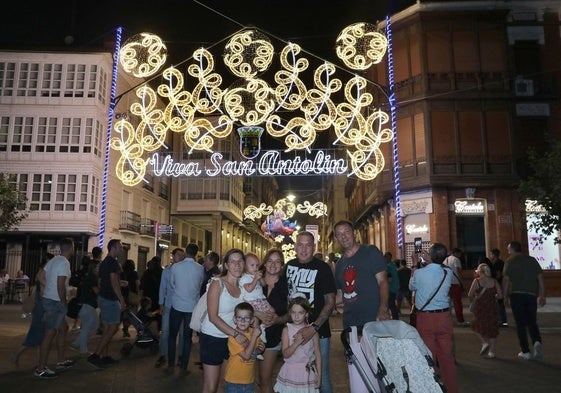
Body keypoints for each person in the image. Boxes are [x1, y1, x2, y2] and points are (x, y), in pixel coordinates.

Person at [285, 231, 336, 393]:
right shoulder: (289, 266)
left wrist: (314, 327)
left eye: (308, 245)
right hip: (293, 331)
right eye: (300, 244)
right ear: (295, 246)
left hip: (319, 331)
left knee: (321, 374)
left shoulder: (323, 268)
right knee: (297, 373)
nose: (304, 249)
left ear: (314, 247)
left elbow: (330, 301)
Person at [409, 243, 459, 393]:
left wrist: (415, 263)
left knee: (428, 357)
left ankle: (429, 388)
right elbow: (438, 267)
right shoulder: (447, 272)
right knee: (446, 358)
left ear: (429, 256)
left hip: (426, 318)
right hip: (444, 317)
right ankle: (452, 389)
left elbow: (412, 287)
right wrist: (430, 258)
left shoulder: (419, 273)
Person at [200, 248, 248, 393]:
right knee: (211, 386)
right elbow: (213, 317)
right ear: (226, 265)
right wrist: (236, 334)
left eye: (240, 261)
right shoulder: (217, 284)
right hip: (213, 338)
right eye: (232, 261)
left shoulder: (243, 286)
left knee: (225, 383)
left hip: (230, 340)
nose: (237, 264)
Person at [333, 220, 389, 329]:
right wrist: (323, 303)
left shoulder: (370, 251)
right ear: (336, 239)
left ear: (354, 233)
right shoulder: (339, 264)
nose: (343, 236)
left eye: (346, 231)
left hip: (374, 318)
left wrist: (383, 309)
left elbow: (383, 281)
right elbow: (340, 294)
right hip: (350, 322)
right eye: (339, 234)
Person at [35, 238, 75, 379]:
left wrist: (49, 287)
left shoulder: (54, 260)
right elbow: (60, 287)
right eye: (73, 248)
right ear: (71, 248)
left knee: (63, 329)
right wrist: (64, 303)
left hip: (50, 299)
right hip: (55, 302)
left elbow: (39, 276)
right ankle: (40, 369)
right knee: (49, 334)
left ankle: (61, 361)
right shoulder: (64, 263)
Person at [502, 240, 546, 360]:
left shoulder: (509, 261)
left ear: (512, 249)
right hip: (531, 294)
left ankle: (525, 351)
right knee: (532, 320)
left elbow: (506, 280)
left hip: (517, 295)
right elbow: (540, 278)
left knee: (520, 323)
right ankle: (537, 341)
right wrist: (542, 295)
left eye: (508, 249)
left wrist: (504, 296)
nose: (507, 251)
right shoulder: (532, 260)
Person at [87, 239, 126, 369]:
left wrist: (120, 283)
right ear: (113, 248)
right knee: (113, 327)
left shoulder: (104, 263)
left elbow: (105, 281)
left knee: (108, 328)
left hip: (103, 297)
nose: (121, 249)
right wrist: (121, 299)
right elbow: (113, 282)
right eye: (120, 247)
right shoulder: (113, 263)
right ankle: (96, 355)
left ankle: (105, 355)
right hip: (110, 299)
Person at [167, 243, 204, 375]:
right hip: (191, 307)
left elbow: (172, 284)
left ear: (186, 252)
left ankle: (170, 364)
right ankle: (183, 367)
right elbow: (200, 284)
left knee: (172, 336)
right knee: (187, 338)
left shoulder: (175, 267)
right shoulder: (200, 268)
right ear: (196, 253)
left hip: (177, 305)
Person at [257, 248, 289, 393]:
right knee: (251, 379)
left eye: (277, 262)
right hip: (250, 335)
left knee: (265, 378)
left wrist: (278, 319)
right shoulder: (254, 281)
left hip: (273, 336)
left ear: (282, 265)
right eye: (270, 260)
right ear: (264, 263)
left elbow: (292, 313)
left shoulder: (286, 285)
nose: (273, 264)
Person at [274, 296, 321, 393]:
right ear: (290, 313)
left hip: (308, 374)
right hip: (291, 373)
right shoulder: (286, 330)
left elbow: (318, 355)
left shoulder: (312, 332)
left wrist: (319, 375)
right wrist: (296, 344)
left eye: (300, 313)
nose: (296, 316)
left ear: (306, 314)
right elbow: (285, 354)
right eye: (293, 312)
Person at [12, 253, 51, 368]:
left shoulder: (40, 273)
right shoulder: (44, 274)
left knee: (40, 337)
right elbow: (44, 293)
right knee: (35, 336)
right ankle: (16, 354)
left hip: (39, 307)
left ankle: (39, 363)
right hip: (41, 308)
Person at [224, 302, 264, 393]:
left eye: (246, 318)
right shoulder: (233, 337)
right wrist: (254, 337)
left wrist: (260, 349)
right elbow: (246, 357)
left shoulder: (253, 332)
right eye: (239, 318)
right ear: (234, 319)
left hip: (249, 380)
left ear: (252, 320)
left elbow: (254, 352)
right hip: (233, 381)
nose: (242, 321)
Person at [155, 247, 185, 368]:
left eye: (183, 256)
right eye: (178, 255)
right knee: (166, 332)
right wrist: (161, 304)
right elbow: (162, 288)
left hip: (182, 306)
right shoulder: (166, 271)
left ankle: (181, 356)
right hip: (168, 305)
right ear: (173, 256)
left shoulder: (184, 272)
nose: (181, 258)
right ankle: (163, 354)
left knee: (182, 333)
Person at [468, 263, 503, 359]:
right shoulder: (494, 281)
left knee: (476, 325)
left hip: (480, 307)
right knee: (492, 328)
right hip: (492, 307)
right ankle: (492, 351)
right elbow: (500, 296)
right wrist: (493, 296)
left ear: (480, 271)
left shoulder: (477, 281)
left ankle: (484, 342)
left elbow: (470, 294)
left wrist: (474, 300)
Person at [240, 253, 272, 354]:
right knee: (256, 323)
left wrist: (260, 277)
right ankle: (257, 344)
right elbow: (248, 289)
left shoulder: (255, 276)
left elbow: (264, 284)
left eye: (257, 265)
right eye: (252, 265)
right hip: (252, 302)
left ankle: (260, 337)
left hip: (260, 300)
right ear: (245, 266)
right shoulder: (244, 277)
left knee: (271, 314)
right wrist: (255, 279)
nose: (255, 268)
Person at [70, 255, 99, 356]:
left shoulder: (89, 277)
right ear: (94, 268)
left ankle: (76, 343)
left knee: (93, 326)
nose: (99, 268)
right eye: (98, 267)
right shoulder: (93, 278)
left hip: (87, 305)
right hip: (87, 305)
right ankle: (83, 350)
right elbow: (96, 291)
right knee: (87, 327)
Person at [443, 248, 468, 326]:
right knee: (457, 303)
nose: (460, 256)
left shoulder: (445, 260)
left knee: (447, 303)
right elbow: (459, 271)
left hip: (446, 284)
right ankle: (460, 320)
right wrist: (462, 282)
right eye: (460, 254)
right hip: (455, 284)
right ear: (456, 253)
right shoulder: (456, 260)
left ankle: (447, 320)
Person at [120, 259, 140, 338]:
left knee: (125, 312)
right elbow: (137, 283)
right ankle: (129, 328)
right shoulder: (134, 273)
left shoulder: (122, 273)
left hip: (123, 295)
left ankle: (125, 329)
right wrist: (138, 293)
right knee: (132, 313)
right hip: (132, 295)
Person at [490, 248, 508, 327]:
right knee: (499, 304)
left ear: (494, 254)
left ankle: (501, 320)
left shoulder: (496, 263)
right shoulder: (501, 262)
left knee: (499, 303)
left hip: (498, 285)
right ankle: (502, 320)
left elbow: (498, 274)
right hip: (500, 283)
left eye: (491, 254)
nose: (490, 256)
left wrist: (494, 282)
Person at [384, 252, 399, 319]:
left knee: (391, 305)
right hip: (394, 288)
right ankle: (395, 318)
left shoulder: (388, 267)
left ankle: (395, 319)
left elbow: (389, 279)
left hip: (390, 289)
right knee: (392, 305)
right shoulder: (393, 265)